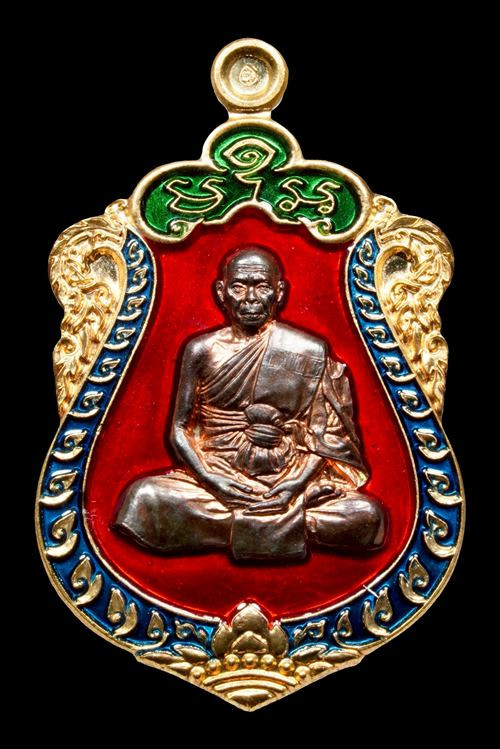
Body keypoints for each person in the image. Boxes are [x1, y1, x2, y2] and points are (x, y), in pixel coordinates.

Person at [113, 246, 386, 560]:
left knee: (367, 515)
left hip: (290, 482)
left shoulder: (309, 350)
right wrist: (212, 479)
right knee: (145, 497)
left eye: (262, 286)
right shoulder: (201, 350)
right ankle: (290, 526)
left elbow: (327, 436)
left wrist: (295, 484)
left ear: (280, 292)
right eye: (239, 287)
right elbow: (179, 429)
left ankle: (233, 527)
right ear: (222, 292)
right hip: (218, 479)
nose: (251, 298)